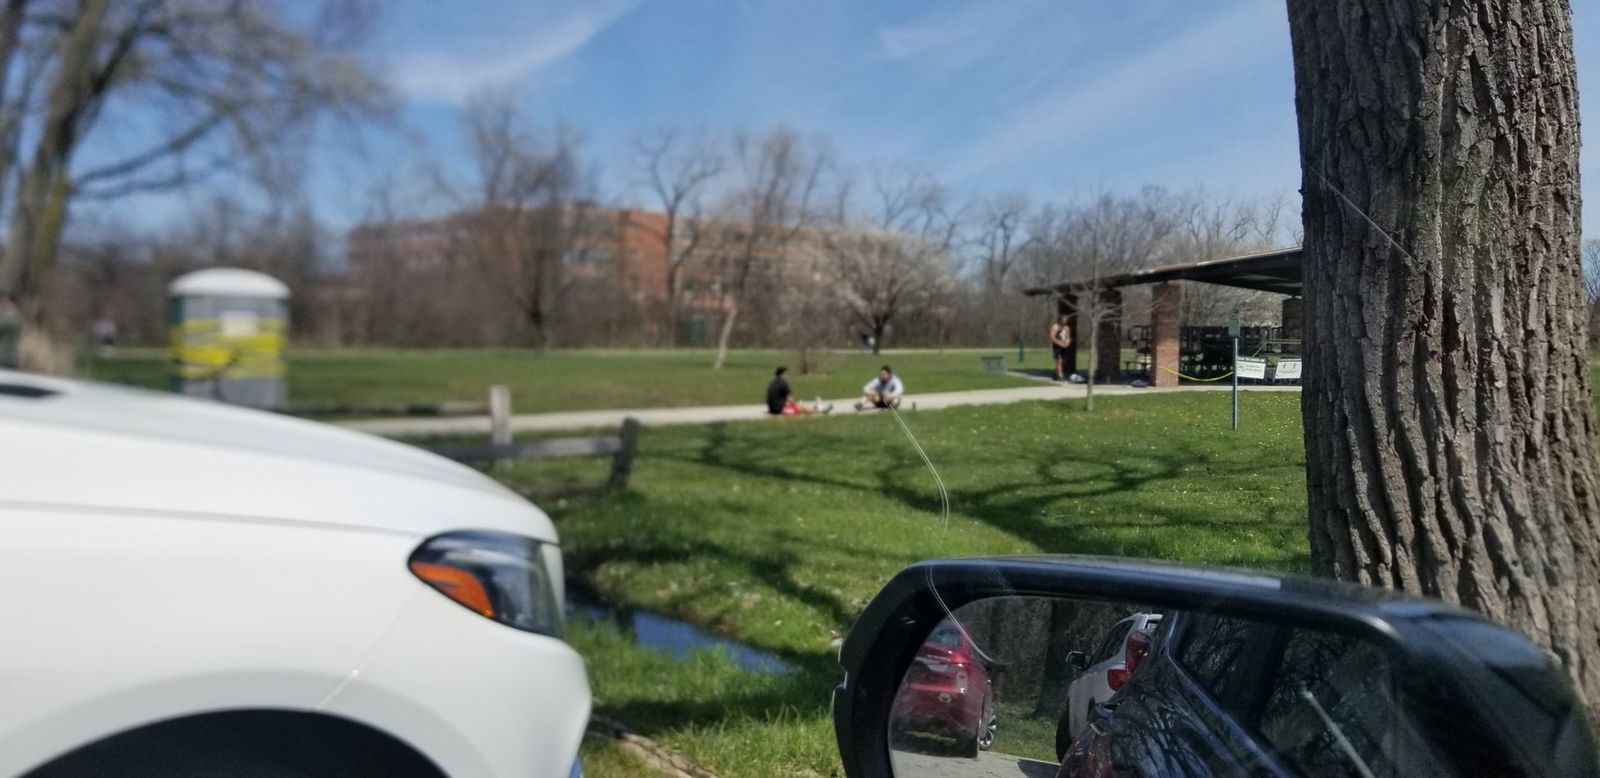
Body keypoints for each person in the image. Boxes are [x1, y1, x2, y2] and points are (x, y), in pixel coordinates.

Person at [766, 366, 832, 416]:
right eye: (786, 374)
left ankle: (814, 409)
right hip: (780, 410)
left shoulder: (773, 382)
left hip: (772, 409)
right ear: (782, 374)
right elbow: (791, 399)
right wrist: (797, 405)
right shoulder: (783, 383)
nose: (787, 376)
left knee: (800, 407)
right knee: (801, 408)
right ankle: (821, 412)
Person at [1049, 314, 1073, 381]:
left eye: (1066, 320)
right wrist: (1059, 343)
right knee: (1059, 360)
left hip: (1064, 346)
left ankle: (1055, 374)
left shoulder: (1067, 328)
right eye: (1063, 320)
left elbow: (1068, 337)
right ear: (1060, 320)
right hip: (1057, 346)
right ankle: (1060, 375)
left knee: (1063, 361)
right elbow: (1052, 337)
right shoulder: (1055, 327)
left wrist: (1068, 342)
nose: (1065, 321)